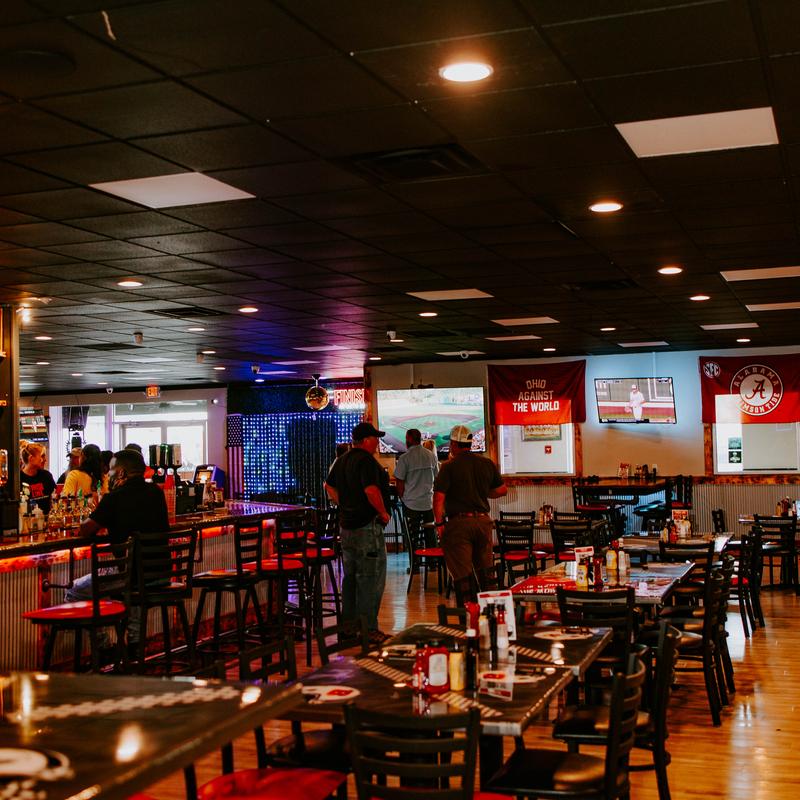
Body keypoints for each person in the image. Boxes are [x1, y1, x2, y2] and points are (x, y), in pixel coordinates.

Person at [67, 449, 170, 645]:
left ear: (121, 473)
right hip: (160, 572)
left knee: (74, 591)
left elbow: (85, 530)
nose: (108, 475)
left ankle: (103, 645)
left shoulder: (114, 498)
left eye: (111, 471)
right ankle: (135, 643)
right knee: (134, 577)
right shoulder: (156, 493)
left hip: (131, 576)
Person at [325, 422, 391, 646]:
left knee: (351, 579)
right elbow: (371, 490)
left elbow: (328, 486)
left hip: (347, 527)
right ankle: (368, 629)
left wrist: (345, 504)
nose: (377, 443)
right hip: (366, 527)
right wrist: (382, 512)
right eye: (375, 439)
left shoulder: (342, 460)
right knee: (370, 578)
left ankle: (348, 629)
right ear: (366, 440)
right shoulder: (366, 461)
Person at [433, 425, 507, 600]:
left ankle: (469, 612)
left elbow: (438, 498)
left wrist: (439, 523)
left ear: (454, 444)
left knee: (463, 577)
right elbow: (502, 490)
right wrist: (483, 492)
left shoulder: (448, 467)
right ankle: (491, 610)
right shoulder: (486, 463)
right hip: (483, 522)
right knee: (487, 574)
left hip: (459, 525)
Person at [394, 428, 439, 547]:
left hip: (411, 504)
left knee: (412, 539)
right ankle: (431, 558)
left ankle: (415, 558)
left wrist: (403, 499)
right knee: (430, 537)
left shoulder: (404, 458)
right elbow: (437, 479)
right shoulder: (431, 456)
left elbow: (399, 483)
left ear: (409, 439)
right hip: (428, 503)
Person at [20, 441, 56, 514]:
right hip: (26, 519)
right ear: (31, 458)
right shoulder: (19, 479)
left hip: (46, 518)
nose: (43, 460)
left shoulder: (46, 476)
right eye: (41, 456)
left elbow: (55, 497)